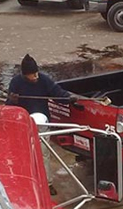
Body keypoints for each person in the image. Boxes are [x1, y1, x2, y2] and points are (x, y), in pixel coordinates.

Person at [7, 54, 75, 196]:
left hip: (42, 124)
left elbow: (58, 93)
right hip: (24, 125)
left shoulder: (44, 80)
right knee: (25, 155)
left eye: (36, 73)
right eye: (32, 74)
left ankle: (47, 183)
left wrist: (69, 99)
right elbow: (10, 108)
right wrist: (13, 100)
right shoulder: (16, 83)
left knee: (44, 154)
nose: (36, 76)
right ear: (25, 75)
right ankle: (27, 183)